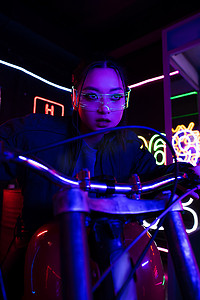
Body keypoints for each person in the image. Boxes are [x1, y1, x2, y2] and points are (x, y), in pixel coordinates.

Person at [0, 56, 199, 299]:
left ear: (125, 100)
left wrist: (183, 172)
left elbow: (155, 172)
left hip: (108, 243)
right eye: (92, 96)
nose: (105, 108)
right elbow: (7, 143)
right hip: (42, 241)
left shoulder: (129, 146)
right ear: (75, 97)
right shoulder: (35, 132)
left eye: (115, 97)